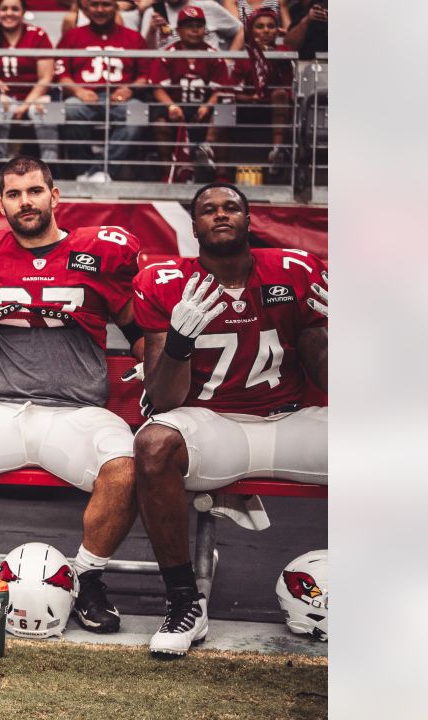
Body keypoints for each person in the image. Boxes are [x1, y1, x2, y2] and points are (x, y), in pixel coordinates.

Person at [0, 156, 143, 635]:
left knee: (126, 465)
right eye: (14, 194)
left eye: (34, 191)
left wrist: (158, 375)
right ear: (1, 203)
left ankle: (86, 579)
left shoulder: (97, 254)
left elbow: (138, 327)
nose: (25, 202)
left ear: (55, 196)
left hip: (77, 413)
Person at [132, 183, 327, 657]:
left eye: (231, 207)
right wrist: (179, 340)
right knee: (153, 445)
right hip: (214, 427)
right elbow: (162, 399)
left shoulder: (295, 270)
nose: (220, 215)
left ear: (248, 217)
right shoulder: (165, 280)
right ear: (194, 226)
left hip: (289, 422)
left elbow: (327, 375)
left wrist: (337, 332)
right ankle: (184, 601)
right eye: (208, 210)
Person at [56, 0, 149, 182]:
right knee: (70, 109)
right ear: (86, 8)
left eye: (105, 4)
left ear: (115, 7)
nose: (100, 10)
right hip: (84, 97)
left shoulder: (133, 37)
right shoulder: (73, 36)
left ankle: (102, 171)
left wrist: (130, 89)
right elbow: (61, 73)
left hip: (120, 98)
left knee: (138, 111)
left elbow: (145, 75)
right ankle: (83, 171)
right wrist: (78, 91)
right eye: (95, 5)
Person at [149, 6, 230, 180]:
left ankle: (213, 161)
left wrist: (207, 106)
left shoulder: (214, 56)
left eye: (199, 25)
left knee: (224, 112)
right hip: (177, 105)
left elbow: (220, 90)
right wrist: (171, 106)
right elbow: (158, 89)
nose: (194, 30)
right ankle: (168, 172)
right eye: (189, 26)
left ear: (205, 29)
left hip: (203, 106)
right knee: (160, 121)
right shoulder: (168, 55)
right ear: (178, 30)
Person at [0, 0, 58, 164]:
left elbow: (46, 77)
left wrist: (25, 105)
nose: (9, 13)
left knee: (51, 109)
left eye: (15, 9)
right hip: (4, 97)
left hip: (35, 96)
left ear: (23, 12)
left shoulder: (38, 35)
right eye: (4, 9)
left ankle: (51, 165)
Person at [230, 8, 293, 177]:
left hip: (276, 108)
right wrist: (250, 98)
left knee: (279, 94)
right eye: (260, 26)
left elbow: (288, 89)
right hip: (248, 109)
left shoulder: (284, 52)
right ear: (251, 30)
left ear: (277, 30)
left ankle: (277, 151)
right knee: (223, 103)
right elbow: (234, 91)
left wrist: (268, 54)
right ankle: (211, 154)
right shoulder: (243, 57)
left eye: (271, 26)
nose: (266, 30)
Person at [140, 0, 243, 50]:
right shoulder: (153, 12)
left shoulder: (208, 6)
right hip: (169, 77)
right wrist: (152, 32)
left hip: (211, 71)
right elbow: (146, 55)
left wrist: (229, 58)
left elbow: (242, 30)